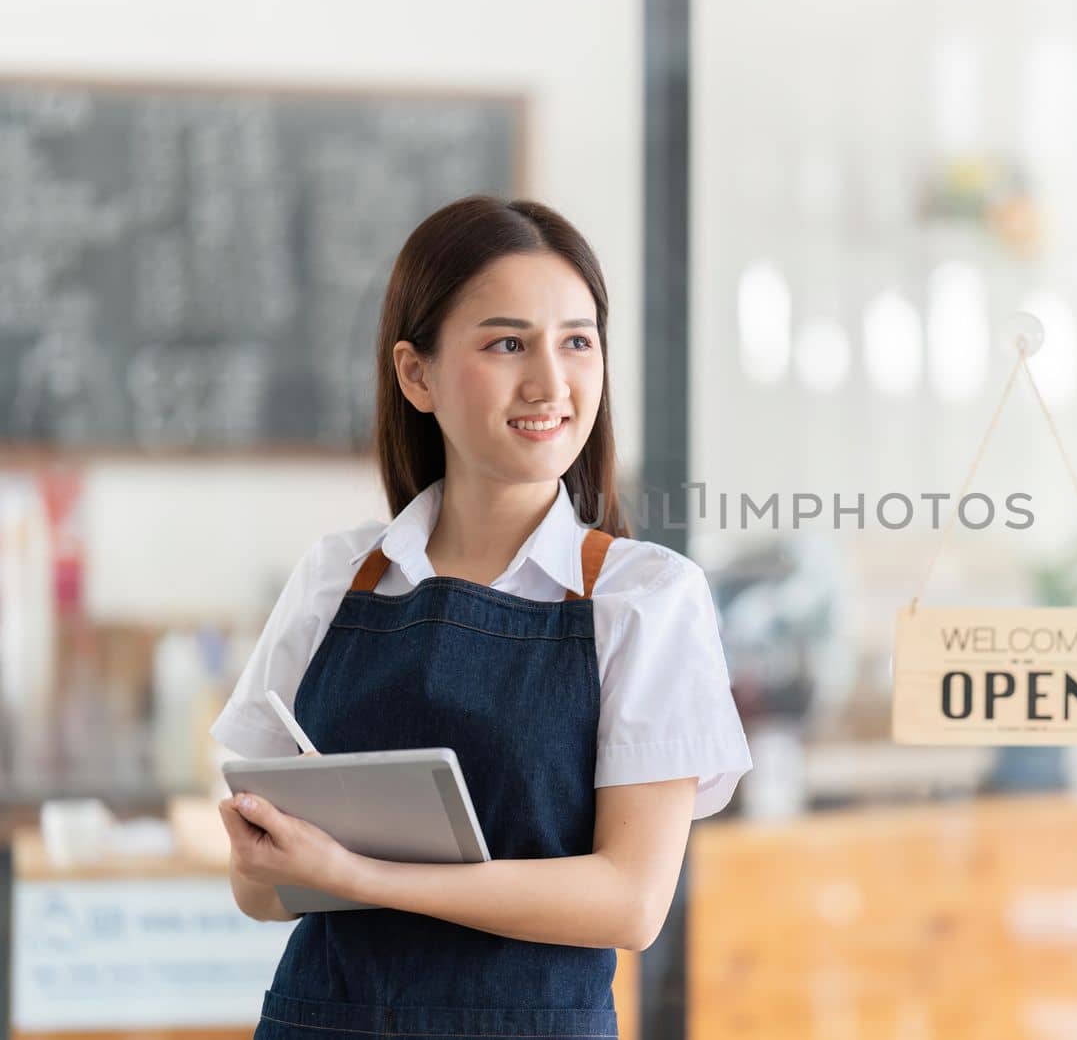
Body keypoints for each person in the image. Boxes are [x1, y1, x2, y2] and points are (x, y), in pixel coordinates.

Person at [208, 196, 753, 1040]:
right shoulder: (335, 579)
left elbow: (631, 901)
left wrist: (362, 872)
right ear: (415, 374)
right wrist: (273, 862)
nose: (549, 382)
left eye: (577, 340)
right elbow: (260, 891)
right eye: (507, 343)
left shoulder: (645, 599)